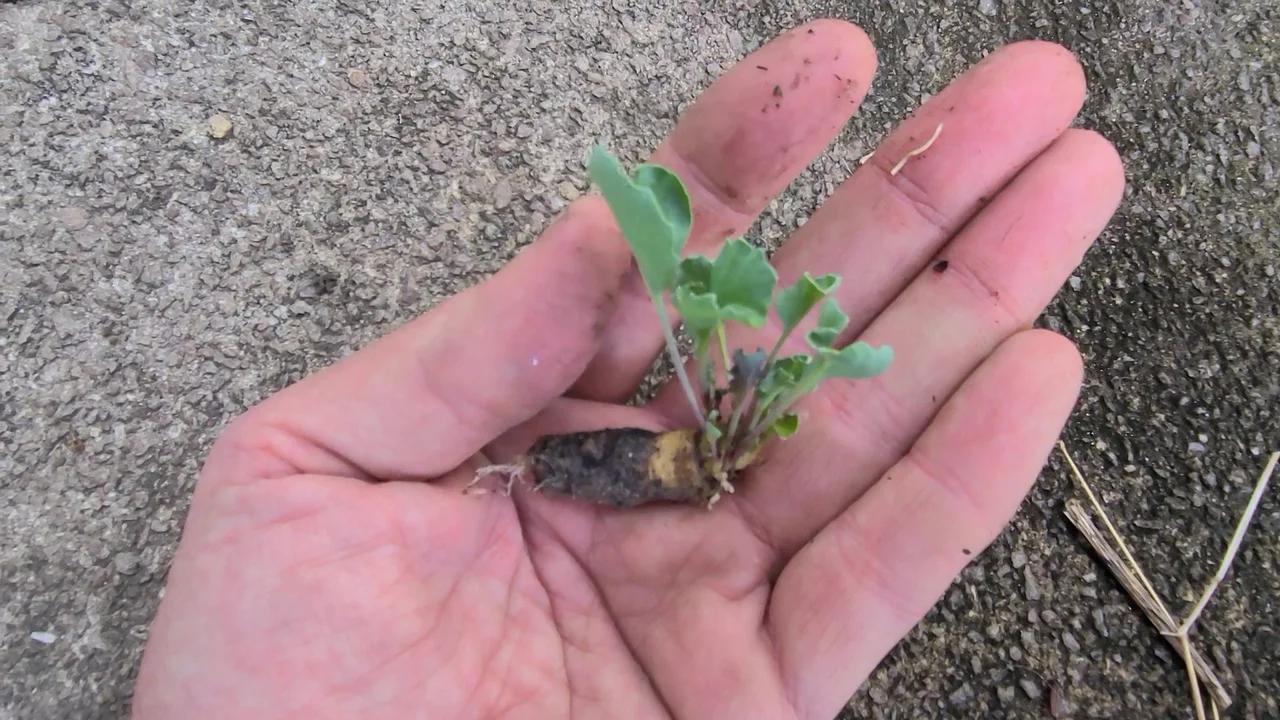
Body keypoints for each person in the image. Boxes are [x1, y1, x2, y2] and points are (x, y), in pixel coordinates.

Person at [132, 20, 1123, 720]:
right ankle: (688, 457)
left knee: (754, 381)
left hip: (688, 472)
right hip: (661, 490)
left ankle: (699, 457)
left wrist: (721, 442)